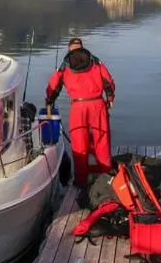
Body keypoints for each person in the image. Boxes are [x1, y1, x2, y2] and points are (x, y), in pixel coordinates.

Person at [45, 37, 115, 187]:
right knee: (101, 142)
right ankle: (106, 178)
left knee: (79, 145)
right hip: (97, 104)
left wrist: (50, 100)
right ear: (82, 47)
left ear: (70, 49)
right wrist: (110, 97)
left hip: (78, 107)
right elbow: (108, 81)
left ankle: (81, 180)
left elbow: (53, 86)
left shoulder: (65, 64)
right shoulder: (95, 61)